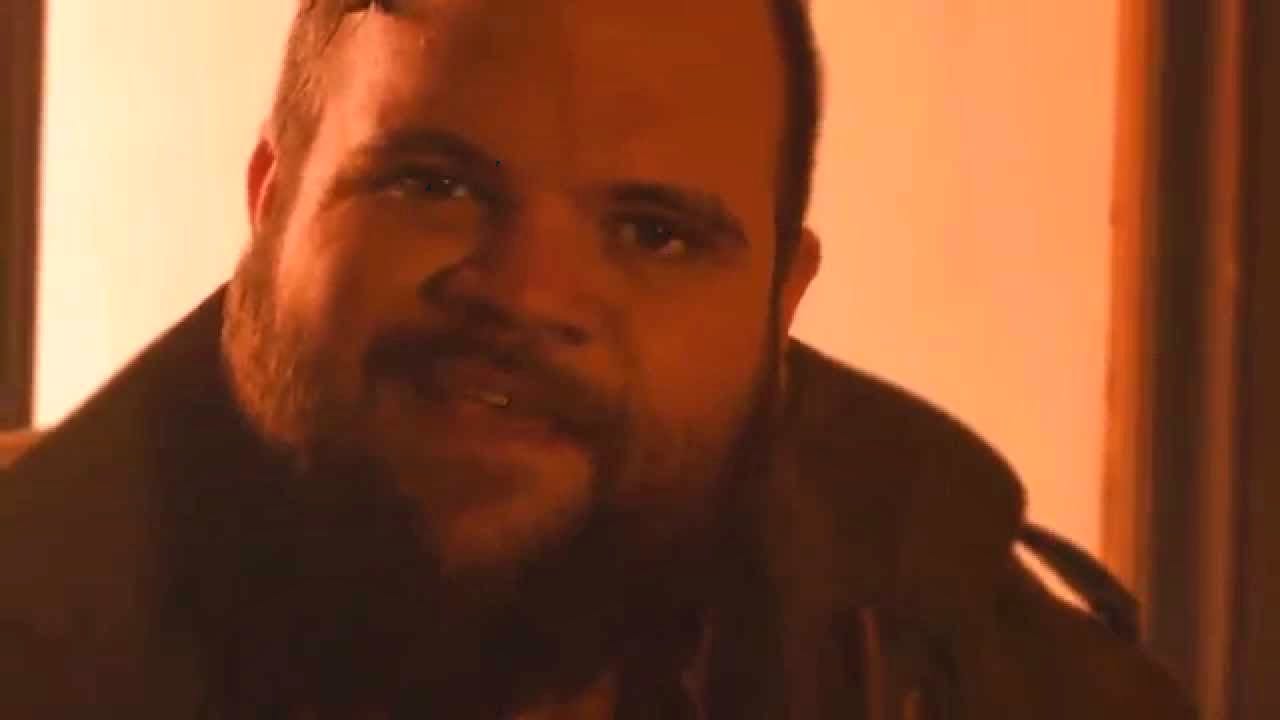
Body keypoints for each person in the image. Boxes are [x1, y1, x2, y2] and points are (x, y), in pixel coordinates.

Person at [0, 0, 1197, 717]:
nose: (527, 295)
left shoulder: (994, 688)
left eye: (653, 233)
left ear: (781, 302)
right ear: (271, 197)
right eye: (434, 184)